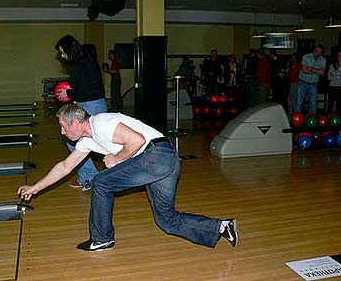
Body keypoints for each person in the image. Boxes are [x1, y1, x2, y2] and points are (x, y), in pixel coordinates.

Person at [18, 103, 239, 252]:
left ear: (76, 123)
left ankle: (102, 238)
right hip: (164, 161)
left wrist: (117, 159)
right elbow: (65, 166)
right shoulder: (87, 140)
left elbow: (137, 140)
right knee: (166, 221)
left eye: (64, 127)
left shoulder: (102, 122)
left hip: (155, 155)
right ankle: (221, 227)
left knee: (101, 182)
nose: (63, 132)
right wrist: (35, 187)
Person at [54, 35, 107, 191]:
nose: (63, 56)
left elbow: (88, 89)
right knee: (80, 142)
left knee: (77, 142)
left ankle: (90, 177)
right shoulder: (83, 63)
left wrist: (68, 94)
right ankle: (89, 176)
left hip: (92, 105)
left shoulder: (84, 64)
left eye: (63, 53)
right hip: (89, 104)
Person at [296, 44, 326, 114]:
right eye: (315, 50)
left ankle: (311, 120)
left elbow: (322, 73)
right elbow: (304, 70)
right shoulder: (306, 57)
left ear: (321, 53)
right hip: (303, 82)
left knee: (313, 104)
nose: (316, 52)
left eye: (318, 51)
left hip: (314, 84)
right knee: (299, 102)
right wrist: (317, 71)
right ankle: (296, 120)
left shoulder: (323, 60)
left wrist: (311, 69)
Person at [327, 48, 341, 114]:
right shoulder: (332, 65)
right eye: (338, 55)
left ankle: (340, 119)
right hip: (333, 87)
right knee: (330, 104)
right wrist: (339, 75)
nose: (338, 57)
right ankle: (329, 118)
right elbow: (329, 77)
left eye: (340, 55)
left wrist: (335, 74)